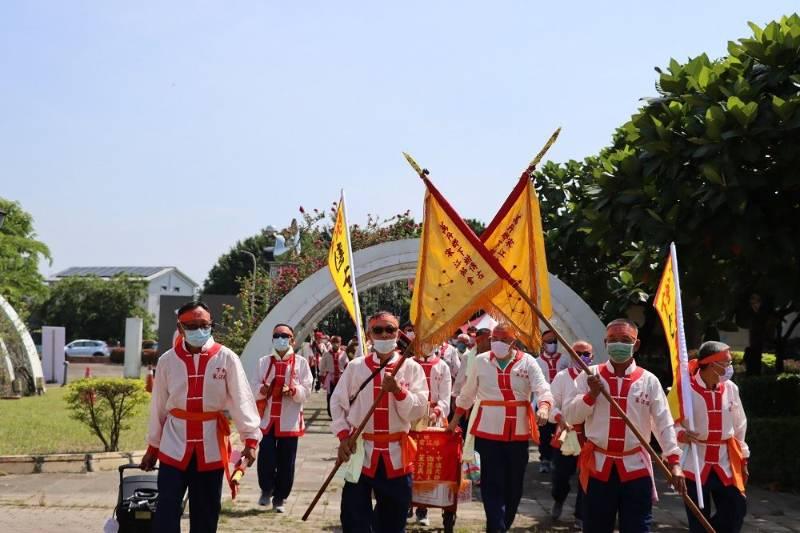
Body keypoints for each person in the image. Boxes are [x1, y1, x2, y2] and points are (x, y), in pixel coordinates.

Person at [141, 301, 261, 533]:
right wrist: (152, 448)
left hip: (211, 447)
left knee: (206, 512)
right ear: (180, 326)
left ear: (211, 325)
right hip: (174, 446)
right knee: (166, 509)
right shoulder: (167, 360)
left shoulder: (227, 358)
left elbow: (242, 399)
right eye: (192, 325)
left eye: (204, 325)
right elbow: (158, 407)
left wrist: (251, 440)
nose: (198, 330)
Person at [564, 318, 686, 533]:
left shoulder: (648, 381)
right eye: (613, 339)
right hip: (598, 467)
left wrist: (674, 461)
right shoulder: (589, 376)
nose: (618, 344)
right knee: (595, 527)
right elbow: (571, 416)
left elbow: (663, 423)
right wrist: (591, 395)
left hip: (636, 468)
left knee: (638, 527)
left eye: (625, 340)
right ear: (605, 343)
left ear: (636, 344)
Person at [448, 322, 553, 533]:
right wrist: (453, 422)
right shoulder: (480, 361)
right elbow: (468, 394)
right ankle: (496, 526)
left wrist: (543, 407)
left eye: (503, 340)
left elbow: (543, 389)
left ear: (513, 342)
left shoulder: (528, 362)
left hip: (519, 433)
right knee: (491, 483)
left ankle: (502, 523)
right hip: (488, 431)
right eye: (494, 339)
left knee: (514, 485)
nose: (497, 344)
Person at [331, 311, 428, 533]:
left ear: (398, 333)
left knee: (394, 519)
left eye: (390, 330)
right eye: (378, 330)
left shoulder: (412, 368)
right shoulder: (356, 367)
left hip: (397, 454)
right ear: (369, 335)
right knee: (353, 516)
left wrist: (398, 391)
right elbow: (337, 403)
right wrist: (344, 436)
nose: (384, 335)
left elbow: (418, 410)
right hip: (361, 451)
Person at [678, 341, 749, 533]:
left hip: (725, 461)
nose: (729, 367)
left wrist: (743, 455)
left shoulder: (731, 388)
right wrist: (680, 434)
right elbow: (667, 420)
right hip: (695, 461)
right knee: (698, 519)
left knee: (736, 510)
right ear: (711, 364)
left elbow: (739, 423)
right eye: (726, 362)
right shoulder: (685, 390)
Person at [252, 323, 312, 512]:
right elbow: (252, 386)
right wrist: (263, 389)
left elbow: (307, 389)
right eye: (277, 335)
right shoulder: (263, 362)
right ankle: (266, 490)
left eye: (285, 336)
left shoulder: (301, 363)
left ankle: (280, 497)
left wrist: (293, 390)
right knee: (266, 458)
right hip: (268, 421)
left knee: (287, 462)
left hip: (289, 420)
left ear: (292, 340)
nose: (280, 339)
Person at [548, 340, 593, 528]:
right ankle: (559, 499)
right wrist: (559, 418)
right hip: (565, 431)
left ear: (592, 357)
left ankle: (581, 515)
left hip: (589, 435)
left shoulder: (595, 378)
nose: (581, 357)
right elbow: (551, 403)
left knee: (588, 476)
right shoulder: (561, 377)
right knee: (561, 474)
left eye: (586, 353)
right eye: (577, 352)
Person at [411, 338, 454, 528]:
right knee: (411, 461)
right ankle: (409, 504)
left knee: (430, 463)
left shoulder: (443, 367)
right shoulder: (409, 364)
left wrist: (436, 412)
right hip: (411, 419)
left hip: (434, 421)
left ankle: (424, 507)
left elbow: (445, 397)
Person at [535, 329, 569, 474]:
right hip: (544, 404)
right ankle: (545, 459)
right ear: (543, 344)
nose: (552, 344)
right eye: (549, 342)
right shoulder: (536, 362)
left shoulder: (565, 360)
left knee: (561, 431)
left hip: (562, 402)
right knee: (544, 433)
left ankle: (558, 460)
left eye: (554, 341)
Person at [320, 335, 347, 417]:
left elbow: (346, 365)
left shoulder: (343, 353)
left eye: (337, 342)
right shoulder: (327, 354)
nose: (336, 344)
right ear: (331, 343)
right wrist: (322, 376)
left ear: (340, 343)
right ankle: (330, 412)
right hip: (330, 377)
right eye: (334, 342)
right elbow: (322, 366)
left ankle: (340, 412)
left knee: (340, 395)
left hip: (341, 376)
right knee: (330, 395)